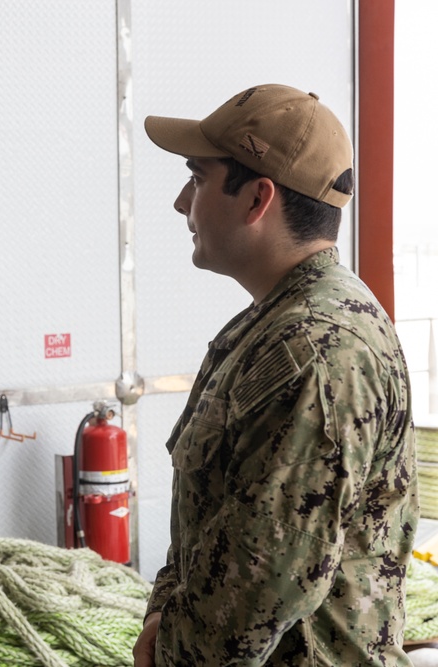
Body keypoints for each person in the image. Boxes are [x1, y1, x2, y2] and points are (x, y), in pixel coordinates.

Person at [132, 84, 418, 666]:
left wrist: (168, 651)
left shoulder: (317, 348)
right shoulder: (274, 325)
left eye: (199, 178)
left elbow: (261, 580)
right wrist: (163, 623)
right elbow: (208, 524)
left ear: (258, 198)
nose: (182, 202)